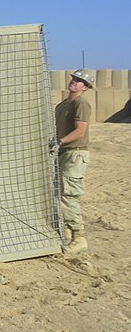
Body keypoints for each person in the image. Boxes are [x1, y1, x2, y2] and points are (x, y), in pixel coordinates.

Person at [52, 69, 94, 254]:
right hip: (62, 153)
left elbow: (80, 131)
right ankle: (67, 233)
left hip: (75, 154)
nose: (74, 82)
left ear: (85, 87)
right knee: (58, 193)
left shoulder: (81, 103)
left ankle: (79, 237)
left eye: (79, 81)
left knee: (68, 195)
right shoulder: (62, 105)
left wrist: (60, 141)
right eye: (74, 79)